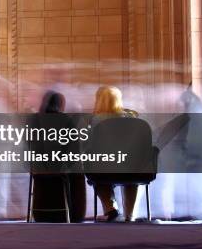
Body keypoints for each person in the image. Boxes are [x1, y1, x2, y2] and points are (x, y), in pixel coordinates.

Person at [29, 91, 86, 222]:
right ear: (60, 104)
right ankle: (75, 215)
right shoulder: (65, 120)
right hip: (59, 169)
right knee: (78, 175)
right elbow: (74, 149)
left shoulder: (33, 120)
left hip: (38, 169)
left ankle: (40, 213)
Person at [91, 86, 138, 222]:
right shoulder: (131, 117)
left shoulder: (95, 120)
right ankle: (130, 215)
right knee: (132, 178)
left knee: (95, 171)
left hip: (104, 168)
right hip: (131, 168)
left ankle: (110, 208)